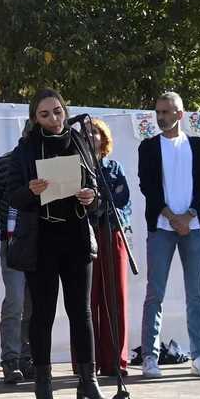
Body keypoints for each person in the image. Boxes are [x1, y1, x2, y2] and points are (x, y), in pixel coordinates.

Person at [4, 88, 108, 399]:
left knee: (82, 312)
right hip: (42, 239)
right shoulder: (25, 148)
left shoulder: (80, 142)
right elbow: (12, 196)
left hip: (75, 236)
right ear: (35, 118)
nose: (53, 118)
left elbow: (100, 195)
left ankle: (89, 383)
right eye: (45, 114)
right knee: (43, 313)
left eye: (57, 111)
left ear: (66, 110)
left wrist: (93, 198)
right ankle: (43, 388)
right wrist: (30, 191)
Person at [137, 91, 200, 378]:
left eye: (166, 112)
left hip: (193, 230)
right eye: (158, 112)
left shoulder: (197, 145)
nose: (160, 117)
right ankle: (149, 357)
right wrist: (172, 216)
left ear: (180, 115)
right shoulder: (148, 147)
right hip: (161, 229)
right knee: (154, 293)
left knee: (196, 294)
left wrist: (189, 215)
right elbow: (148, 187)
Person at [81, 119, 132, 378]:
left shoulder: (114, 167)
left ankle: (115, 362)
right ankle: (85, 364)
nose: (89, 136)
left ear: (103, 138)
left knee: (115, 298)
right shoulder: (76, 166)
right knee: (86, 300)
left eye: (94, 132)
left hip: (113, 232)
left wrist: (99, 197)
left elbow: (123, 197)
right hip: (84, 234)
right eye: (85, 132)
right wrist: (105, 195)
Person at [0, 141, 35, 384]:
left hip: (43, 244)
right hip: (13, 242)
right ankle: (11, 359)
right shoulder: (5, 162)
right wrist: (8, 224)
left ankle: (29, 357)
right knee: (15, 301)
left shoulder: (49, 161)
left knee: (34, 303)